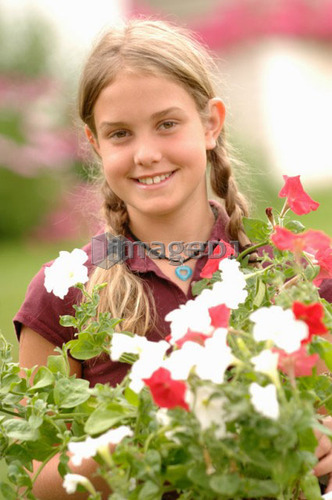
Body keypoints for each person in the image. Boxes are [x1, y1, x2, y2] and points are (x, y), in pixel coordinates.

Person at [13, 18, 332, 499]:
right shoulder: (64, 291)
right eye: (120, 134)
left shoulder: (289, 273)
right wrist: (148, 436)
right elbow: (35, 480)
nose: (146, 154)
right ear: (95, 143)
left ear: (210, 123)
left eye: (166, 124)